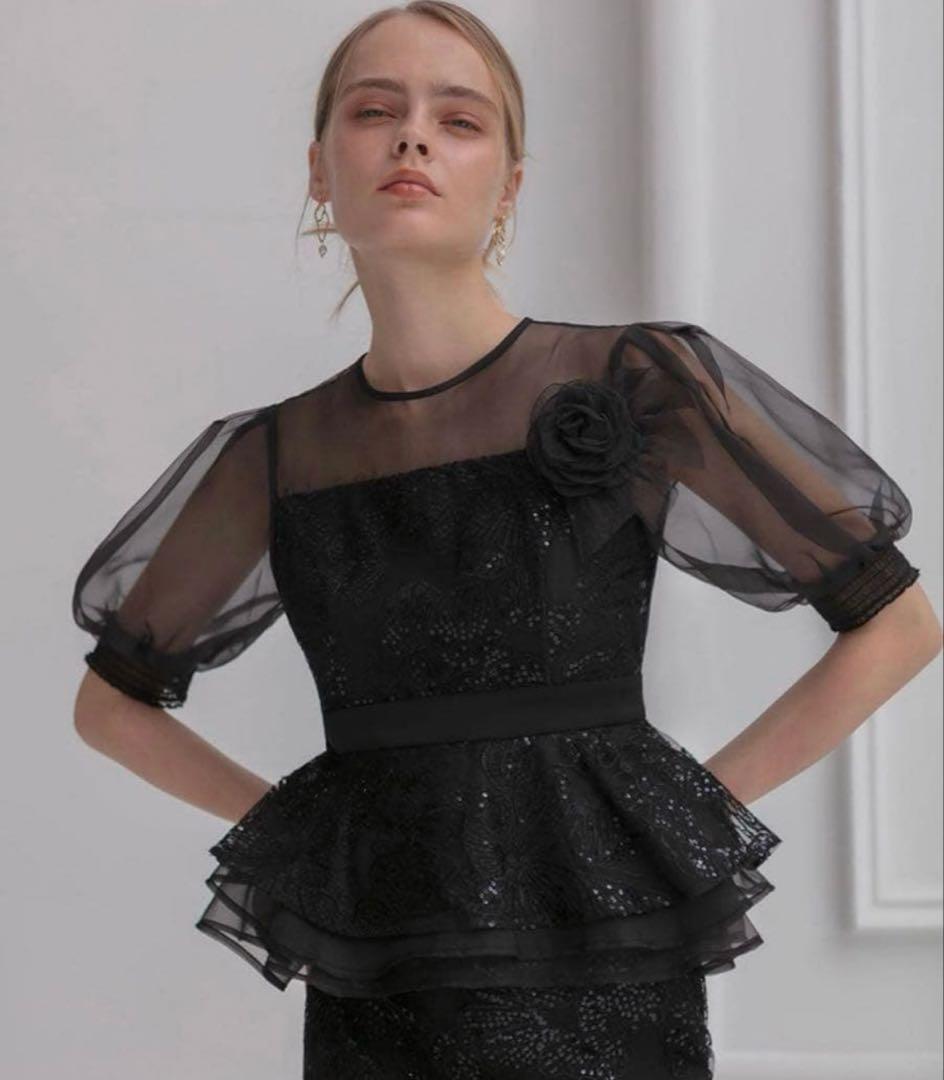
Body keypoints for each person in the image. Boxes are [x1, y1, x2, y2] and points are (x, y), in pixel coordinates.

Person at [70, 3, 943, 1077]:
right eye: (374, 111)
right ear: (318, 170)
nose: (412, 137)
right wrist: (306, 832)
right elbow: (109, 705)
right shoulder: (273, 456)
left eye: (458, 119)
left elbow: (897, 624)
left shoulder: (632, 380)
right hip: (385, 972)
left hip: (602, 952)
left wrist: (684, 811)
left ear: (510, 185)